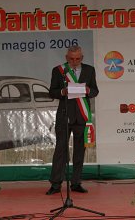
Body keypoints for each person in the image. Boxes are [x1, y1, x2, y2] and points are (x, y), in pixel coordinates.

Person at [46, 45, 99, 195]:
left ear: (82, 58)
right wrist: (63, 91)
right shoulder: (59, 71)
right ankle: (55, 184)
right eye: (71, 59)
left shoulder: (89, 70)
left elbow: (95, 90)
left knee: (79, 152)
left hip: (82, 116)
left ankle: (76, 183)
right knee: (61, 150)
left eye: (77, 59)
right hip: (64, 115)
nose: (74, 61)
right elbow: (52, 92)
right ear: (66, 58)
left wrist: (88, 90)